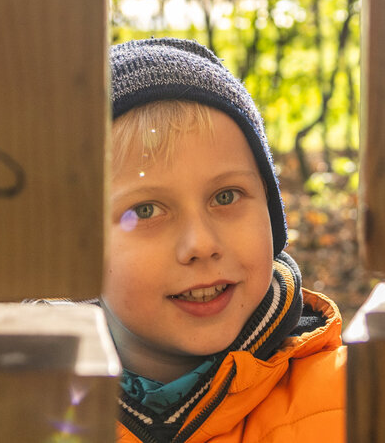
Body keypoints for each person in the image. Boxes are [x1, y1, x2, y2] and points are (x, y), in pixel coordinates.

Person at [104, 38, 346, 441]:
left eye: (225, 197)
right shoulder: (15, 408)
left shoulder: (349, 404)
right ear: (76, 246)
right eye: (146, 210)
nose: (201, 244)